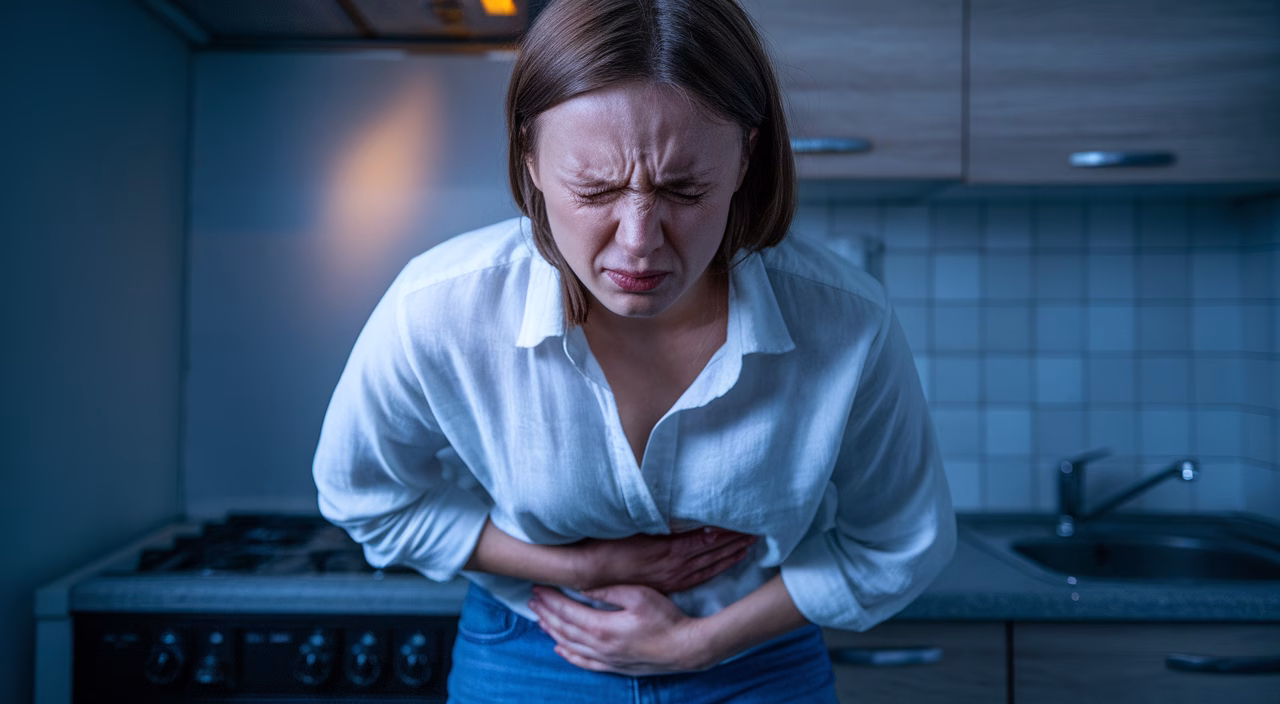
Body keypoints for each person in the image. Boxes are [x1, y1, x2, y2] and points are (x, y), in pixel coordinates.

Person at [312, 0, 956, 700]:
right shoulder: (437, 307)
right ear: (529, 157)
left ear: (746, 157)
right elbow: (365, 499)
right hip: (527, 647)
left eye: (684, 189)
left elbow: (900, 541)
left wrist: (697, 644)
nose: (639, 241)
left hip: (758, 658)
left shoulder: (847, 321)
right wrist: (579, 569)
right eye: (595, 190)